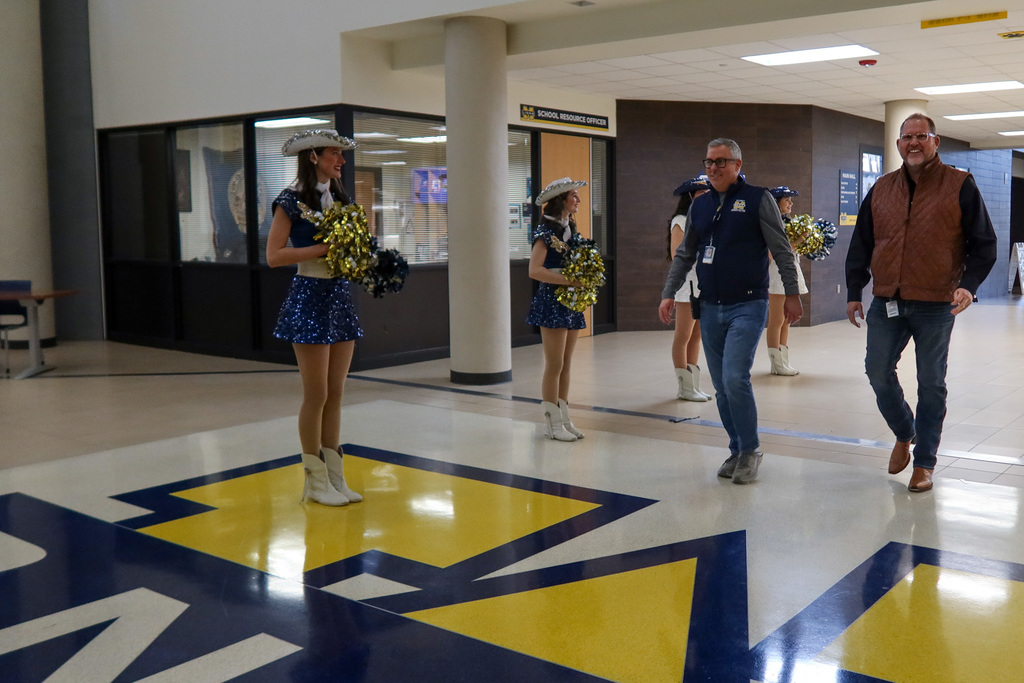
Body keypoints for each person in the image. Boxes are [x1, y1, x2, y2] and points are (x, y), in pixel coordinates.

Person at [846, 113, 997, 493]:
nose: (913, 143)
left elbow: (984, 244)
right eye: (906, 137)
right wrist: (853, 291)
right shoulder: (881, 188)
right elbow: (862, 243)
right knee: (877, 371)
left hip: (935, 302)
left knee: (931, 383)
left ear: (935, 141)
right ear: (898, 144)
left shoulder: (960, 184)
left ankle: (925, 462)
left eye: (920, 136)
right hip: (888, 298)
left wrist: (968, 286)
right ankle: (904, 432)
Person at [658, 138, 802, 483]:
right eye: (709, 162)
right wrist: (668, 293)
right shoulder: (701, 206)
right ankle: (736, 449)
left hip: (749, 303)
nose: (713, 168)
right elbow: (685, 254)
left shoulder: (757, 199)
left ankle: (750, 450)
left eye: (721, 162)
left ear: (738, 164)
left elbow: (781, 249)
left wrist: (793, 293)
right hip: (709, 306)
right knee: (722, 385)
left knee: (736, 377)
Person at [266, 129, 365, 506]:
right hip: (309, 297)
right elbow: (274, 255)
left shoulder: (340, 197)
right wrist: (325, 247)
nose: (341, 161)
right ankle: (315, 481)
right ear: (312, 158)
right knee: (317, 394)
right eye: (334, 154)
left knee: (337, 393)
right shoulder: (289, 201)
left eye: (341, 155)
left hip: (339, 296)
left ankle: (335, 477)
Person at [528, 177, 589, 441]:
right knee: (554, 364)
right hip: (552, 300)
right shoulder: (545, 233)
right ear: (561, 200)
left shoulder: (571, 229)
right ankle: (551, 425)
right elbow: (535, 270)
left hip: (571, 300)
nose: (578, 200)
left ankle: (564, 418)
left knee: (566, 364)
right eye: (574, 195)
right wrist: (569, 280)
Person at [667, 175, 712, 401]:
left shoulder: (707, 219)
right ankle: (684, 387)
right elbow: (677, 255)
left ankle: (693, 384)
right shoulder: (680, 220)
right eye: (702, 194)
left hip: (704, 281)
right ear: (691, 196)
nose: (707, 198)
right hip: (687, 282)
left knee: (697, 335)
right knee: (683, 334)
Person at [765, 186, 808, 376]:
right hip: (776, 274)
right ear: (777, 202)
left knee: (786, 321)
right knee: (776, 320)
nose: (791, 203)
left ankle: (783, 360)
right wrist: (798, 241)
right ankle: (776, 363)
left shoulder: (789, 223)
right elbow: (772, 254)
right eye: (787, 200)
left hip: (790, 272)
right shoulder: (771, 223)